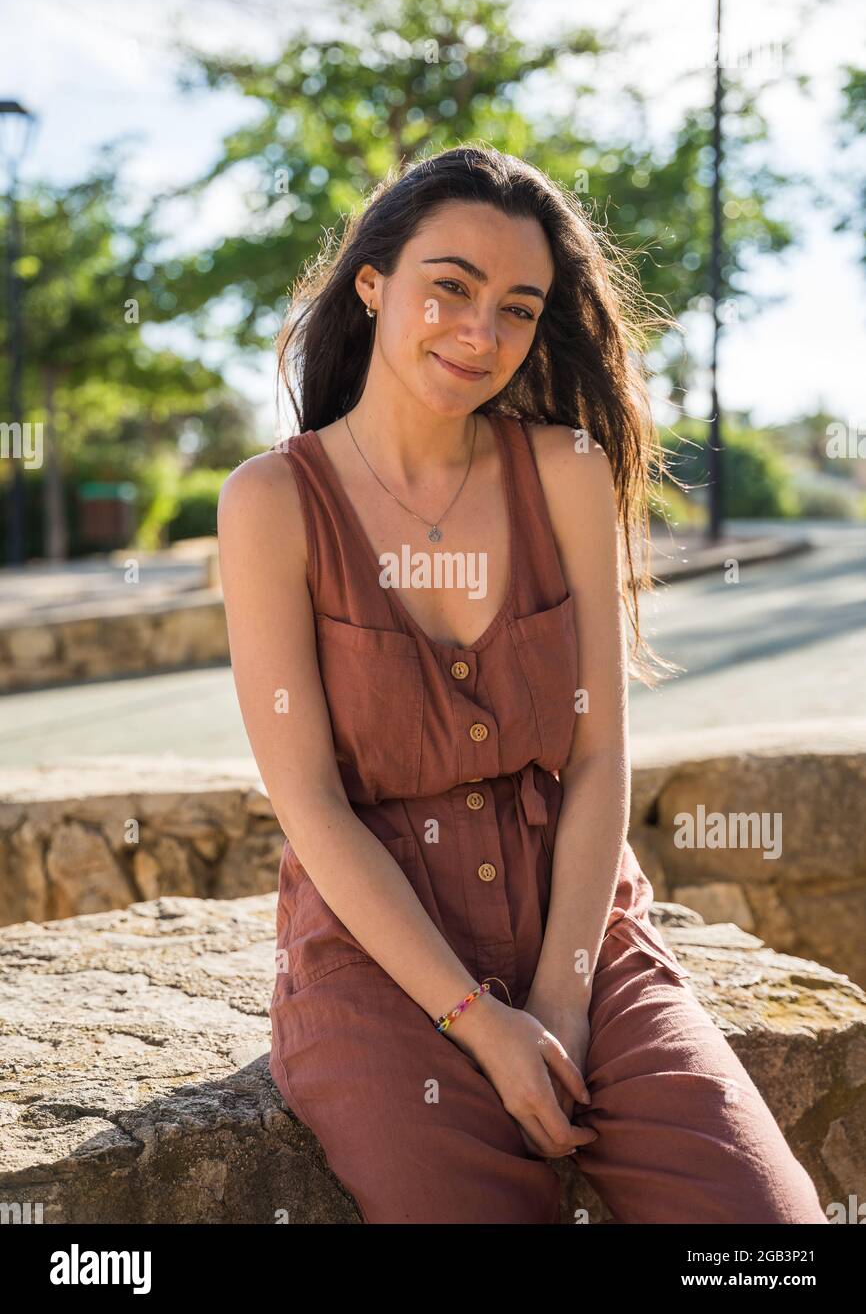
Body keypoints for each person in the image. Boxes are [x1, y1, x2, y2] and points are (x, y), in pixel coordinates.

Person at [217, 144, 828, 1225]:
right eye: (447, 288)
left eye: (516, 306)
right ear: (372, 286)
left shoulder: (564, 469)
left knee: (762, 1229)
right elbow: (308, 800)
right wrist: (477, 1020)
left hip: (579, 926)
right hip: (379, 957)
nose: (479, 332)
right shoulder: (271, 501)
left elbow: (596, 752)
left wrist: (560, 994)